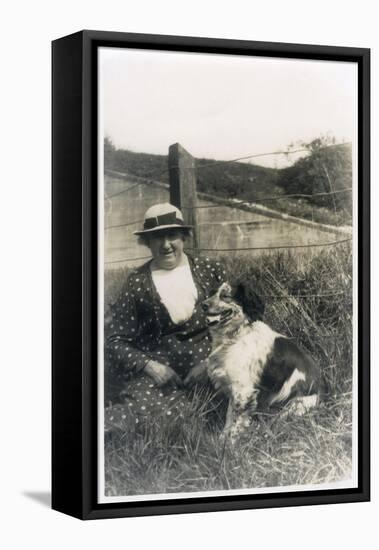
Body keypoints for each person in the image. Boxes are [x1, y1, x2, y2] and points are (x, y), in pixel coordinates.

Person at [105, 202, 228, 425]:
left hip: (210, 364)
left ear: (184, 237)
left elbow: (238, 324)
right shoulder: (137, 282)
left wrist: (210, 363)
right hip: (161, 371)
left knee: (224, 398)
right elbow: (116, 340)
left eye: (172, 235)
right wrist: (151, 367)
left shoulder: (210, 270)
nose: (166, 245)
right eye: (156, 238)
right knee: (138, 413)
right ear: (146, 243)